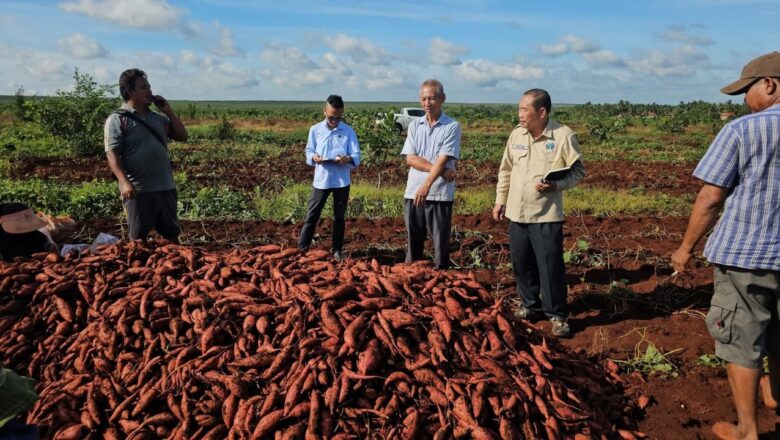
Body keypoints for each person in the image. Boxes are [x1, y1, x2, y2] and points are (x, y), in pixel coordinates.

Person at [671, 51, 780, 440]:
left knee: (741, 342)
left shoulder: (743, 130)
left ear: (769, 85)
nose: (744, 100)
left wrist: (685, 247)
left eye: (746, 91)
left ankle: (747, 431)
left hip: (746, 258)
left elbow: (710, 198)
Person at [493, 89, 585, 337]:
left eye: (524, 109)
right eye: (519, 108)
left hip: (545, 215)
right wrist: (500, 200)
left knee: (550, 266)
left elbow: (578, 172)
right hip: (516, 212)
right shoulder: (516, 135)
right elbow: (506, 170)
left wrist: (556, 185)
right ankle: (530, 306)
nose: (519, 114)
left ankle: (557, 315)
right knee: (522, 264)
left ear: (541, 112)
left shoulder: (563, 136)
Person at [104, 68, 187, 243]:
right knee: (138, 240)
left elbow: (182, 136)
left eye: (149, 86)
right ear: (129, 91)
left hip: (165, 187)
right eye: (143, 87)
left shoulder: (158, 119)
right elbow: (112, 154)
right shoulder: (118, 119)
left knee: (172, 237)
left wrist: (169, 111)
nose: (149, 91)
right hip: (139, 191)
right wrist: (124, 182)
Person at [401, 79, 460, 269]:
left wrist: (427, 184)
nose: (427, 104)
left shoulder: (452, 126)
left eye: (432, 99)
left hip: (439, 194)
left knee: (440, 245)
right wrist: (440, 171)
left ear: (442, 98)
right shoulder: (414, 126)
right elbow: (410, 159)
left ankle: (441, 278)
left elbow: (444, 158)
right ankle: (413, 277)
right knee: (414, 242)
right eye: (423, 99)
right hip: (413, 192)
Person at [298, 95, 361, 262]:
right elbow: (309, 151)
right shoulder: (315, 130)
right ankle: (302, 249)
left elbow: (357, 155)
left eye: (338, 117)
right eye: (331, 117)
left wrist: (347, 159)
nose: (334, 121)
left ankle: (337, 250)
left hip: (341, 181)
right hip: (322, 180)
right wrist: (314, 158)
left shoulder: (348, 131)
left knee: (339, 217)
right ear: (324, 111)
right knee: (312, 215)